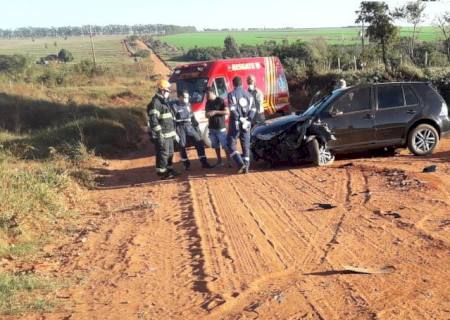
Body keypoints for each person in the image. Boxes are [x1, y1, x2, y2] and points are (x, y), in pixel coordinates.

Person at [171, 90, 213, 170]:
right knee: (182, 145)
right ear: (180, 97)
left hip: (189, 125)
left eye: (188, 97)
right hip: (180, 127)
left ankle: (204, 162)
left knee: (199, 141)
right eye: (185, 97)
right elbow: (172, 121)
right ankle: (186, 164)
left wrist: (196, 127)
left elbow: (192, 116)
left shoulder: (188, 104)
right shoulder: (174, 106)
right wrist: (174, 132)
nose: (187, 99)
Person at [147, 79, 179, 180]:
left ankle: (169, 169)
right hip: (162, 134)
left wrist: (174, 133)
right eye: (167, 91)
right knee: (163, 154)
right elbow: (153, 121)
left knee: (169, 153)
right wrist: (159, 133)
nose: (168, 93)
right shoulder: (155, 103)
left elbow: (169, 119)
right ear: (162, 90)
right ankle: (162, 173)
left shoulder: (164, 102)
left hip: (169, 133)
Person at [227, 76, 256, 174]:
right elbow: (253, 109)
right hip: (247, 123)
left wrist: (240, 118)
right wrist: (248, 119)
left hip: (236, 123)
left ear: (233, 84)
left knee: (230, 143)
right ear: (242, 83)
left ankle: (240, 163)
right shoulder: (249, 95)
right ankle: (246, 167)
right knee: (245, 145)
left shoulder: (231, 94)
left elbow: (232, 109)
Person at [205, 87, 231, 167]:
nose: (206, 95)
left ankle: (229, 161)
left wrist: (215, 112)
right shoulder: (207, 103)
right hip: (212, 128)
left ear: (212, 92)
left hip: (221, 128)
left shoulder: (220, 100)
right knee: (215, 146)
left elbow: (227, 112)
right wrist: (207, 115)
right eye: (206, 93)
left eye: (207, 93)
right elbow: (206, 114)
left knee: (225, 145)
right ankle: (219, 161)